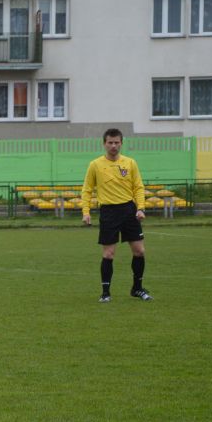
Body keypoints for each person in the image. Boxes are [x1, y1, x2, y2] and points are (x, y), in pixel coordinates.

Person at [81, 128, 151, 302]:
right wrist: (86, 212)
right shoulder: (95, 165)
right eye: (110, 142)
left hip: (129, 210)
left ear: (121, 143)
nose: (113, 146)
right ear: (104, 144)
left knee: (139, 251)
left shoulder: (130, 163)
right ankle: (105, 293)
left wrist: (141, 208)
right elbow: (87, 190)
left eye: (116, 142)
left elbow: (138, 187)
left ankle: (137, 289)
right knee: (109, 254)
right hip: (109, 212)